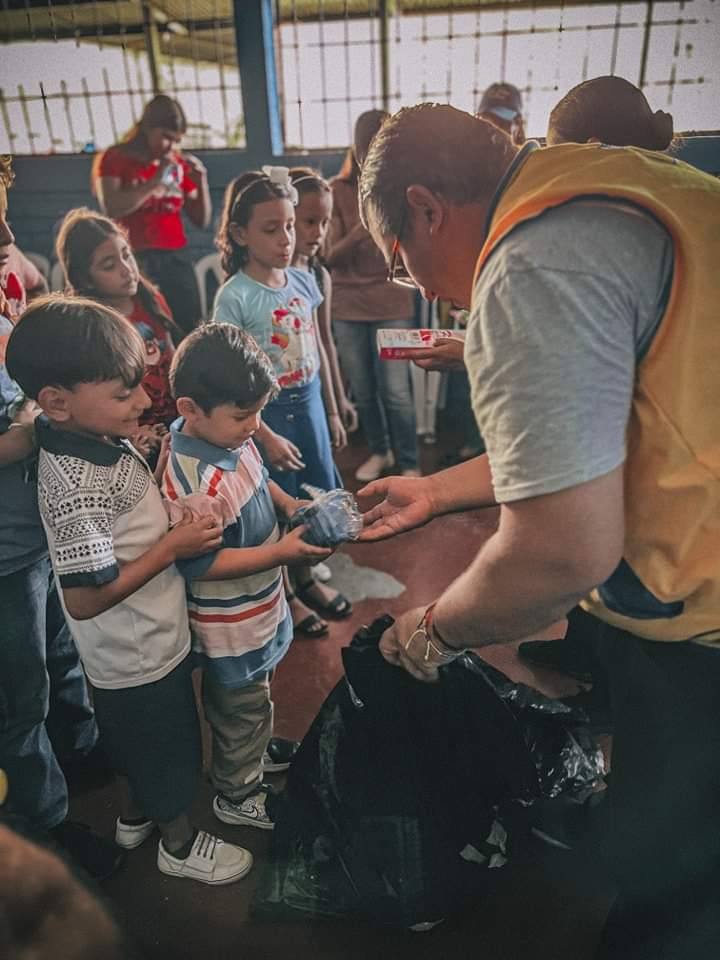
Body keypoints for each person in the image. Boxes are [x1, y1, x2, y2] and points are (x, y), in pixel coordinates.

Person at [357, 102, 720, 958]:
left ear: (426, 209)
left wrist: (432, 632)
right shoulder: (630, 184)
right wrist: (440, 491)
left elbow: (561, 551)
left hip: (703, 608)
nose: (429, 292)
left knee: (672, 889)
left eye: (406, 265)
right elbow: (601, 436)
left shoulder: (532, 263)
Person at [5, 296, 254, 886]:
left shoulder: (74, 433)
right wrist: (173, 548)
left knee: (138, 739)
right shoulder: (75, 485)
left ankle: (136, 817)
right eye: (124, 395)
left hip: (143, 636)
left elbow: (118, 522)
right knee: (166, 744)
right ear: (58, 402)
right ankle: (179, 842)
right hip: (136, 651)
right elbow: (84, 598)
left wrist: (167, 508)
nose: (144, 403)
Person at [0, 157, 118, 882]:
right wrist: (35, 428)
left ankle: (81, 747)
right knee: (21, 695)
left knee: (59, 653)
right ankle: (40, 825)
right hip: (2, 555)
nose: (7, 232)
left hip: (31, 533)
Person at [162, 324, 331, 829]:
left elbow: (261, 477)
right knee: (239, 707)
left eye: (257, 412)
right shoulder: (196, 486)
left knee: (257, 692)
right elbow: (201, 564)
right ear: (190, 409)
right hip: (230, 624)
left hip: (259, 605)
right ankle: (237, 792)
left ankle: (253, 751)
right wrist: (281, 553)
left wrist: (290, 504)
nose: (255, 425)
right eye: (244, 415)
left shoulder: (231, 437)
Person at [213, 166, 352, 637]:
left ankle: (307, 578)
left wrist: (332, 408)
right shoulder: (234, 297)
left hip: (309, 403)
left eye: (290, 226)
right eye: (271, 230)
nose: (286, 239)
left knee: (312, 495)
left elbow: (317, 347)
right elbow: (230, 379)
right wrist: (265, 435)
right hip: (265, 416)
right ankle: (287, 598)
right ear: (240, 233)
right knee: (276, 506)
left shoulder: (303, 281)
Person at [327, 110, 420, 482]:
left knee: (395, 390)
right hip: (348, 304)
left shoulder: (405, 192)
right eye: (370, 147)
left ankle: (410, 463)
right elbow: (328, 257)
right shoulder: (336, 191)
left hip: (392, 301)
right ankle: (380, 452)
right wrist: (363, 230)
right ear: (359, 149)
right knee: (363, 389)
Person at [55, 208, 179, 461]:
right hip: (126, 435)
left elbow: (174, 360)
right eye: (109, 265)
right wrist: (134, 433)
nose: (126, 269)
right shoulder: (90, 328)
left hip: (173, 422)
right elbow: (100, 403)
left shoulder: (151, 300)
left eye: (127, 255)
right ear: (84, 279)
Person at [92, 95, 210, 336]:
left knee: (190, 328)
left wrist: (201, 182)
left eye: (176, 140)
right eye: (165, 137)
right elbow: (112, 207)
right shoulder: (115, 158)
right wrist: (156, 180)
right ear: (147, 128)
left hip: (176, 259)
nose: (170, 146)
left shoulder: (175, 163)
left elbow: (201, 220)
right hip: (135, 259)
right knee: (145, 330)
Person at [289, 166, 358, 434]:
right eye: (309, 222)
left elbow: (324, 342)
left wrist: (337, 402)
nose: (319, 232)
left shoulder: (318, 276)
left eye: (325, 222)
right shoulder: (261, 279)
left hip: (311, 396)